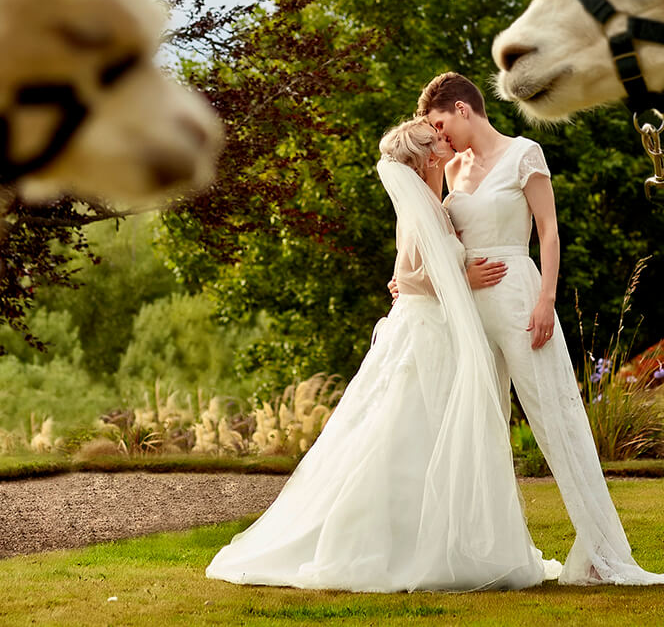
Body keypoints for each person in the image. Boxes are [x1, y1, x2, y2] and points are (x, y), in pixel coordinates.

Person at [206, 119, 560, 592]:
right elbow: (407, 277)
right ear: (429, 157)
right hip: (425, 335)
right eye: (437, 141)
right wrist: (463, 280)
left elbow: (411, 276)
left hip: (442, 332)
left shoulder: (436, 205)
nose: (445, 141)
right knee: (406, 433)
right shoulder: (422, 210)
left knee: (432, 437)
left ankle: (444, 541)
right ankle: (391, 546)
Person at [414, 72, 664, 586]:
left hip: (519, 297)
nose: (438, 137)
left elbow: (548, 230)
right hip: (469, 311)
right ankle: (483, 554)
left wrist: (545, 300)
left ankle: (603, 553)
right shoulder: (450, 169)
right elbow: (439, 237)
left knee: (556, 420)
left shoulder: (523, 154)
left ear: (464, 110)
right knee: (478, 426)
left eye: (441, 124)